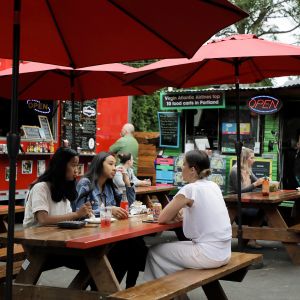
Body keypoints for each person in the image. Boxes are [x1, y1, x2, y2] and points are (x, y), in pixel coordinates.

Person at [144, 150, 232, 286]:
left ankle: (157, 291)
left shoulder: (190, 189)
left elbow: (162, 218)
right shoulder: (214, 186)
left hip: (208, 254)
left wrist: (175, 214)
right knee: (168, 252)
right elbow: (201, 211)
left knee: (155, 252)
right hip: (224, 252)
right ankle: (170, 288)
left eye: (183, 165)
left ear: (192, 169)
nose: (181, 168)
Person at [74, 152, 148, 288]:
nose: (114, 168)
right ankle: (107, 288)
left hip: (109, 233)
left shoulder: (109, 185)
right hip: (89, 235)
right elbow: (80, 212)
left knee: (136, 245)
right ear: (98, 165)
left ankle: (127, 289)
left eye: (115, 164)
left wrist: (127, 181)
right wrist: (108, 210)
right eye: (110, 164)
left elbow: (129, 204)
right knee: (129, 249)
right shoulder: (86, 183)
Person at [23, 147, 92, 228]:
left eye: (77, 166)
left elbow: (67, 218)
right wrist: (76, 214)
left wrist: (82, 215)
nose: (76, 170)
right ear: (61, 166)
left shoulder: (63, 189)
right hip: (35, 238)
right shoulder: (41, 188)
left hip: (56, 236)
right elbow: (43, 219)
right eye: (73, 165)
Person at [228, 147, 264, 249]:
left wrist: (266, 181)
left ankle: (251, 239)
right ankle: (250, 239)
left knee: (264, 210)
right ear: (245, 159)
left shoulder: (248, 169)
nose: (254, 160)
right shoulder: (235, 171)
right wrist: (255, 184)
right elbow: (240, 191)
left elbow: (258, 183)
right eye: (252, 158)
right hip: (237, 206)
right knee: (262, 210)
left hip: (247, 203)